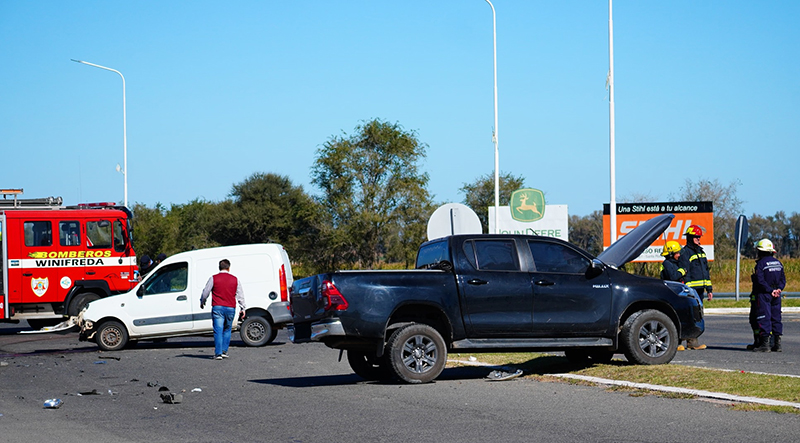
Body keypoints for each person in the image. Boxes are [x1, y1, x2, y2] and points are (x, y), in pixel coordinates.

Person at [200, 259, 246, 360]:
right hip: (230, 308)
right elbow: (240, 295)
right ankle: (224, 351)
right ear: (229, 268)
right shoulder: (235, 279)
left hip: (218, 307)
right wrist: (243, 307)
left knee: (218, 330)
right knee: (227, 329)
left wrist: (202, 301)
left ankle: (218, 353)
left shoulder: (213, 278)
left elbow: (206, 292)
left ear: (219, 267)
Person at [676, 224, 712, 351]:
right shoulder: (685, 253)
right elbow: (685, 272)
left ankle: (693, 341)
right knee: (685, 314)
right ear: (690, 237)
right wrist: (688, 289)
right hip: (690, 291)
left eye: (699, 237)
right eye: (696, 237)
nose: (699, 239)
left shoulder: (701, 252)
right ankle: (678, 342)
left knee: (697, 316)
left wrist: (709, 289)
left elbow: (706, 272)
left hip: (700, 291)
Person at [750, 239, 786, 352]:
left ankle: (765, 344)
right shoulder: (778, 263)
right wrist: (778, 289)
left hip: (765, 294)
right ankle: (777, 344)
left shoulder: (760, 264)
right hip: (777, 295)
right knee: (776, 317)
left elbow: (760, 280)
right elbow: (783, 279)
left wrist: (770, 290)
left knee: (763, 317)